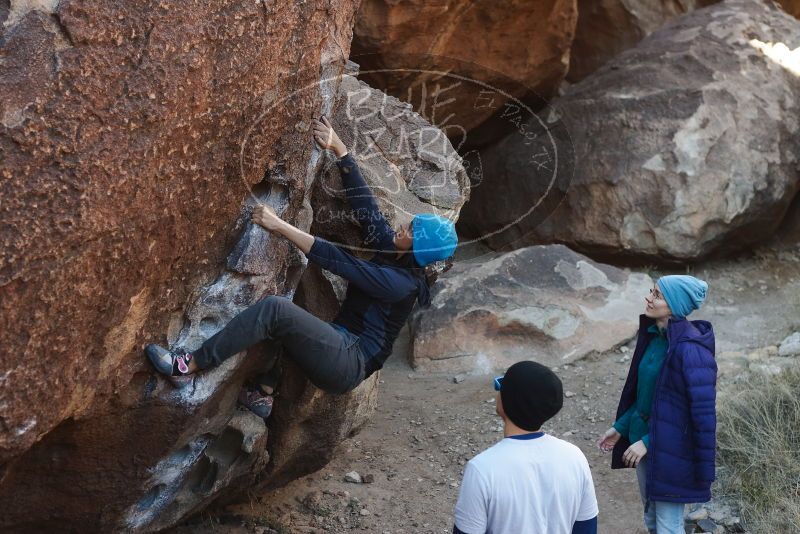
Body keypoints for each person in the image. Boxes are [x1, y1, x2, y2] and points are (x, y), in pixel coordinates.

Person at [144, 117, 458, 418]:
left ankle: (188, 366)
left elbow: (341, 263)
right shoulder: (393, 250)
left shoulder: (401, 285)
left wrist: (280, 226)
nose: (405, 226)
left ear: (420, 249)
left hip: (349, 362)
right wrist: (341, 151)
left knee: (276, 311)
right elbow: (368, 211)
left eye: (414, 231)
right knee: (293, 313)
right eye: (413, 224)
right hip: (340, 342)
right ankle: (264, 389)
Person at [597, 275, 716, 534]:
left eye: (658, 295)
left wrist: (649, 442)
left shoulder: (691, 351)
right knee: (652, 522)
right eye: (652, 291)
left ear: (675, 305)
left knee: (668, 527)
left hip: (671, 451)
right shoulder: (655, 339)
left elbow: (695, 417)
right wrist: (621, 427)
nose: (649, 298)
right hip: (645, 446)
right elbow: (648, 398)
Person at [453, 361, 598, 534]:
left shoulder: (482, 469)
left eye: (500, 385)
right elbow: (586, 528)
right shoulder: (575, 457)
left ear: (508, 400)